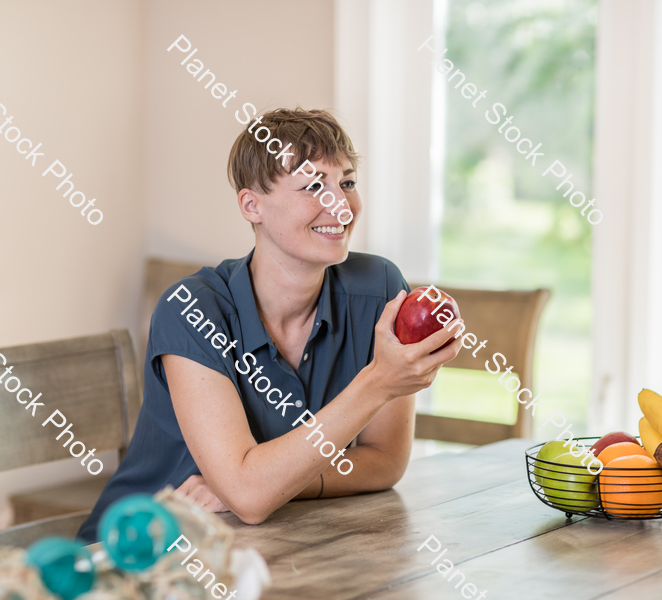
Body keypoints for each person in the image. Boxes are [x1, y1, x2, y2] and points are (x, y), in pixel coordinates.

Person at [77, 108, 462, 540]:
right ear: (252, 205)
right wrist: (379, 383)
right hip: (143, 554)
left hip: (267, 546)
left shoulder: (379, 289)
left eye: (347, 182)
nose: (342, 203)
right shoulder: (191, 309)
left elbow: (384, 461)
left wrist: (276, 486)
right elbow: (249, 498)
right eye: (314, 184)